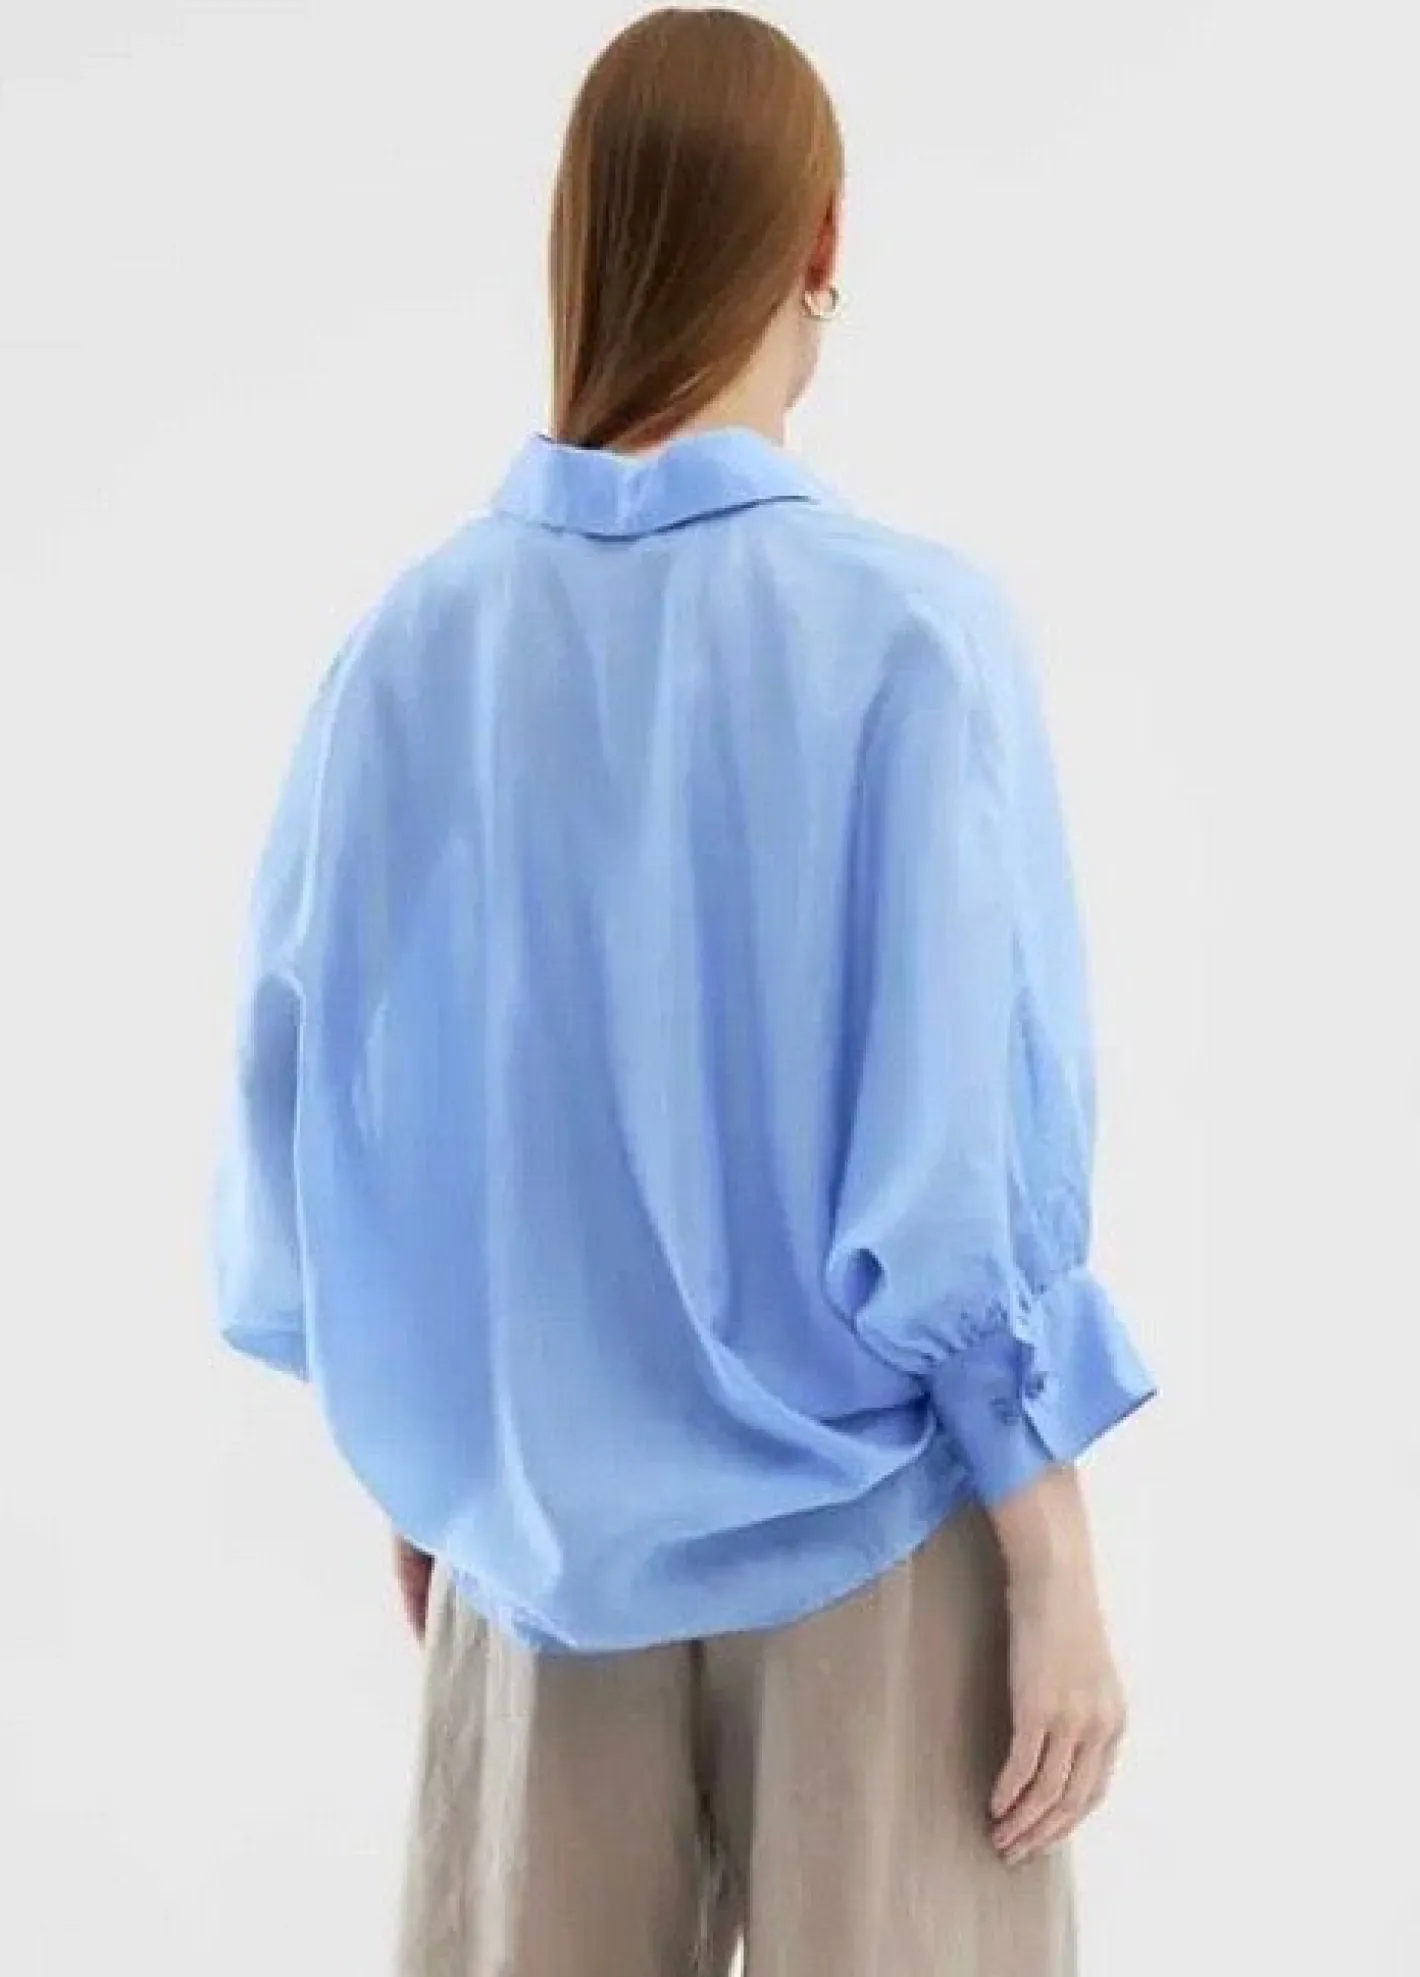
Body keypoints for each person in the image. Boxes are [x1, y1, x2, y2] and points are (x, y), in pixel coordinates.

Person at [210, 9, 1157, 1973]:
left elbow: (312, 1118)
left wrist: (437, 1449)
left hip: (537, 1560)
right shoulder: (913, 639)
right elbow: (961, 1160)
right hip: (882, 1540)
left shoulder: (409, 651)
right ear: (821, 239)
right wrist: (1051, 1555)